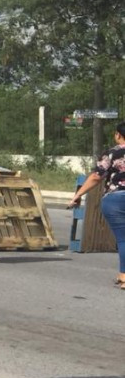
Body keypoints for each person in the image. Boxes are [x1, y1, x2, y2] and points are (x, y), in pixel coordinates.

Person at [69, 122, 125, 289]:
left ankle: (124, 276)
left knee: (123, 239)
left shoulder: (113, 153)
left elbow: (96, 177)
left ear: (117, 135)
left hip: (116, 199)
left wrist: (78, 195)